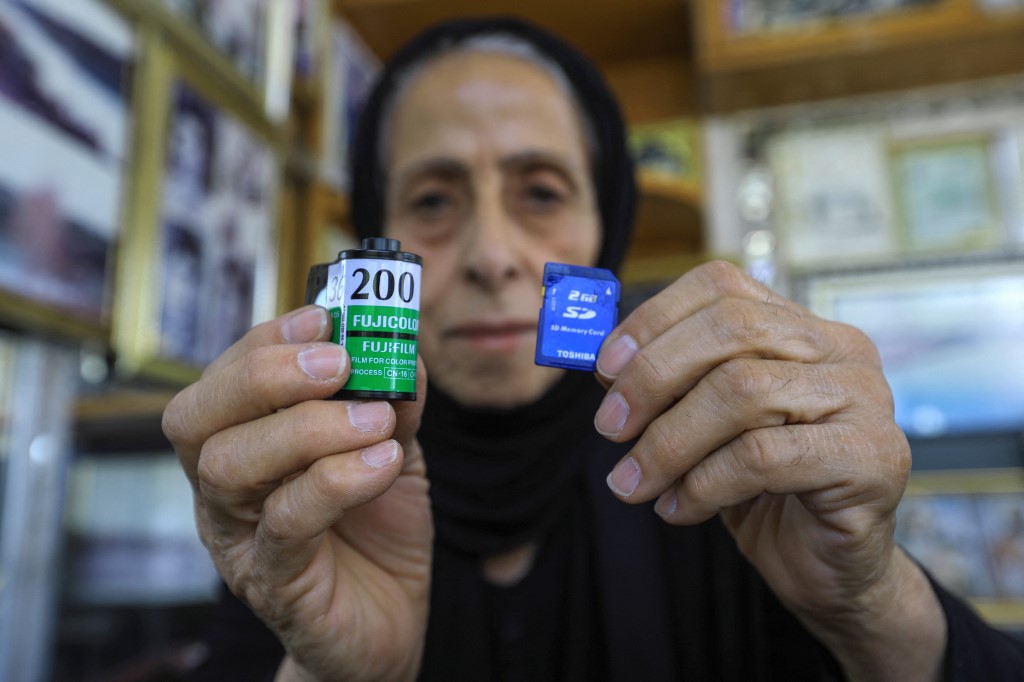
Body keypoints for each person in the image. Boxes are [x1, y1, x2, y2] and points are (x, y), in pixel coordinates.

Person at [162, 16, 1024, 681]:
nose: (494, 255)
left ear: (604, 228)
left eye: (540, 190)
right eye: (431, 200)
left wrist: (868, 599)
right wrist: (323, 669)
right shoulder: (308, 509)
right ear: (376, 244)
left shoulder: (740, 478)